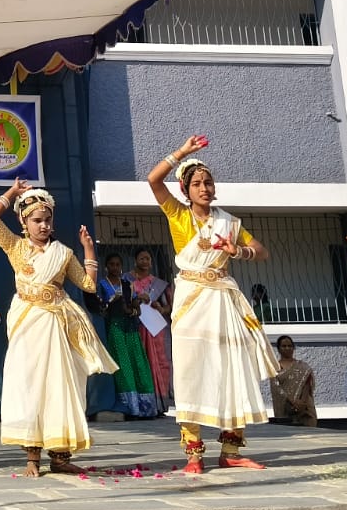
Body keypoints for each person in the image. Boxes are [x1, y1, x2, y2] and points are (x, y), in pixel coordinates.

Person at [146, 135, 278, 474]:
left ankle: (231, 451)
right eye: (197, 184)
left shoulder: (229, 223)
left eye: (208, 182)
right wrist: (182, 152)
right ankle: (194, 454)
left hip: (223, 301)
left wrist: (240, 251)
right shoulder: (177, 215)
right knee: (191, 372)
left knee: (232, 370)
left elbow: (262, 251)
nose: (204, 188)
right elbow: (153, 180)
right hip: (191, 301)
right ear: (185, 190)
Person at [0, 178, 116, 477]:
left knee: (60, 385)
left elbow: (88, 285)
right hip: (27, 322)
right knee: (29, 385)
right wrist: (12, 192)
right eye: (37, 220)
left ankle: (60, 456)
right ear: (23, 222)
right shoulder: (16, 247)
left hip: (57, 324)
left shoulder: (63, 253)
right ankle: (32, 456)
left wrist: (88, 250)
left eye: (47, 220)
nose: (43, 226)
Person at [94, 252, 160, 419]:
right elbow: (100, 307)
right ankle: (130, 408)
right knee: (123, 364)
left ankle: (146, 408)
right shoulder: (102, 284)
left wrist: (137, 302)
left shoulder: (127, 284)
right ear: (106, 267)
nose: (115, 268)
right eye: (112, 264)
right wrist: (112, 302)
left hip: (130, 326)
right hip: (115, 327)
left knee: (138, 362)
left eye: (118, 264)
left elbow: (135, 305)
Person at [129, 247, 173, 410]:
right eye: (142, 258)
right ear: (135, 261)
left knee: (160, 363)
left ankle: (161, 403)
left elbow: (170, 306)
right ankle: (141, 404)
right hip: (136, 327)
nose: (145, 262)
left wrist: (161, 309)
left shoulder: (159, 285)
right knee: (139, 362)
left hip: (156, 331)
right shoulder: (127, 280)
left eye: (148, 259)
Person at [270, 335, 318, 427]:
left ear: (293, 348)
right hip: (285, 408)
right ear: (278, 349)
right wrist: (292, 402)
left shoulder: (302, 366)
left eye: (290, 346)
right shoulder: (274, 368)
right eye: (284, 346)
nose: (287, 348)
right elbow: (276, 389)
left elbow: (307, 384)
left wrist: (302, 402)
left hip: (304, 409)